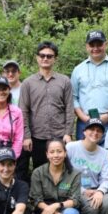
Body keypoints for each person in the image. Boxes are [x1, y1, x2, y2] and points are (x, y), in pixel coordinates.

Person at [19, 41, 75, 171]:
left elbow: (69, 108)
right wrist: (26, 136)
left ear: (55, 58)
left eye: (49, 56)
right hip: (37, 136)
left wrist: (68, 133)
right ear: (37, 57)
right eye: (42, 55)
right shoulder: (28, 83)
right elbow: (23, 111)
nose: (45, 58)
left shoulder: (64, 81)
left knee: (62, 170)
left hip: (60, 135)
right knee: (40, 171)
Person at [66, 119, 108, 214]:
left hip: (95, 188)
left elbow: (107, 178)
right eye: (91, 129)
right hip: (74, 187)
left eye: (99, 131)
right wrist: (82, 190)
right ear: (84, 132)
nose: (95, 133)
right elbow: (64, 173)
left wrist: (100, 191)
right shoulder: (71, 147)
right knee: (91, 206)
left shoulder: (103, 153)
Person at [71, 30, 108, 141]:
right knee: (85, 155)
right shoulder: (78, 70)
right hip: (85, 122)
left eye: (99, 44)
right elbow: (73, 98)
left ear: (106, 44)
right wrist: (84, 118)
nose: (95, 48)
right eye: (92, 45)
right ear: (86, 46)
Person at [3, 60, 30, 183]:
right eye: (7, 71)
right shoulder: (0, 89)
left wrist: (27, 135)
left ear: (19, 73)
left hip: (23, 133)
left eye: (13, 71)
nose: (10, 74)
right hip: (5, 135)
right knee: (5, 166)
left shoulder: (26, 88)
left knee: (21, 168)